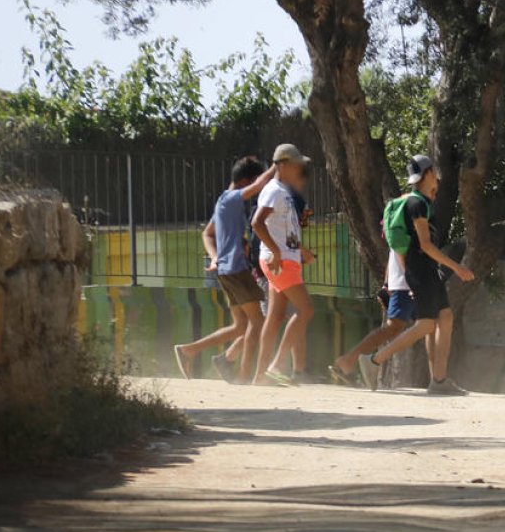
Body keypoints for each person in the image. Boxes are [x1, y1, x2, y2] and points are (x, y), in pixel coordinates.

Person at [358, 155, 474, 395]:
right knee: (425, 325)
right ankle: (374, 361)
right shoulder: (417, 204)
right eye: (434, 172)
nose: (437, 178)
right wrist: (456, 267)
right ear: (428, 173)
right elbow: (425, 245)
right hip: (421, 269)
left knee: (445, 318)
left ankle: (439, 381)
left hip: (425, 269)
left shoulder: (421, 202)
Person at [173, 157, 275, 382]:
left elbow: (207, 233)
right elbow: (258, 187)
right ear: (247, 180)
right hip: (237, 270)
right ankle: (245, 376)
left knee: (241, 325)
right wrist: (279, 163)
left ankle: (188, 350)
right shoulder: (231, 199)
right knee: (257, 322)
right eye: (256, 181)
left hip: (227, 270)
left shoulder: (222, 202)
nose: (259, 188)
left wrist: (215, 257)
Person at [252, 144, 317, 386]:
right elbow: (257, 223)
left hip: (285, 258)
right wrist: (278, 252)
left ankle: (260, 375)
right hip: (279, 261)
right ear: (283, 165)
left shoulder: (283, 192)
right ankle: (277, 365)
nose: (300, 168)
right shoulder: (274, 191)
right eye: (296, 164)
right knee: (306, 309)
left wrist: (301, 251)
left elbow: (285, 230)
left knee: (275, 316)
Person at [329, 248, 413, 385]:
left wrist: (387, 282)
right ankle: (355, 360)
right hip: (406, 282)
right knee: (401, 326)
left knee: (399, 327)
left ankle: (350, 360)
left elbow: (395, 247)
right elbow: (398, 245)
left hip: (404, 280)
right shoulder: (409, 226)